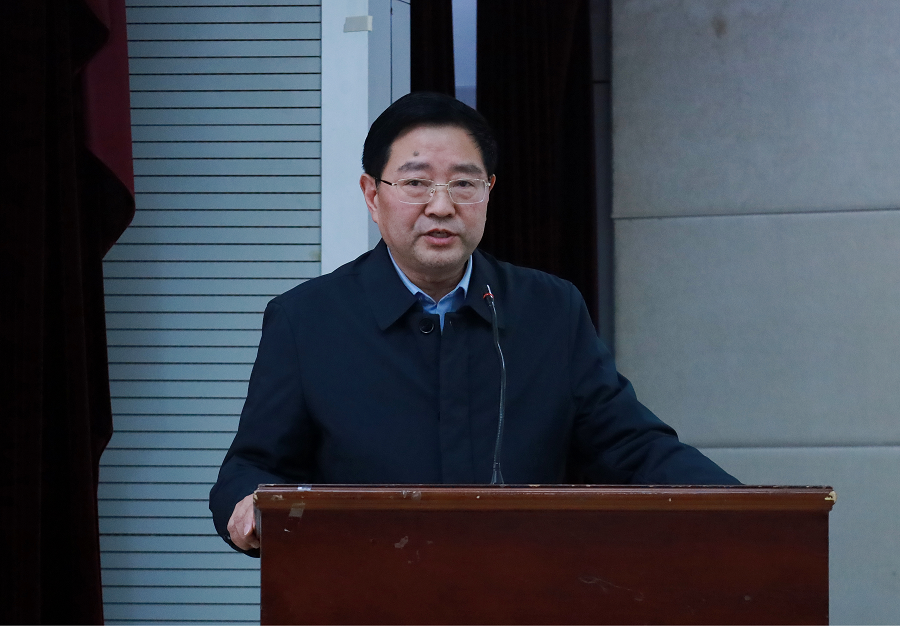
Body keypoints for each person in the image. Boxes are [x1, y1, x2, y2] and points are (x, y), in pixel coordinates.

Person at [209, 92, 740, 555]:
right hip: (368, 599)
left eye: (464, 183)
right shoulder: (308, 319)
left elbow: (632, 447)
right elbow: (251, 466)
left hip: (522, 595)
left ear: (489, 191)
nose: (441, 206)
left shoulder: (548, 309)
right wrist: (249, 502)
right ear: (373, 195)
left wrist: (746, 510)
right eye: (416, 182)